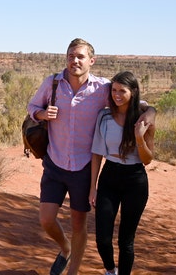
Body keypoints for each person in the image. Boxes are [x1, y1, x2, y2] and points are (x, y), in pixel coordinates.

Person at [27, 38, 155, 275]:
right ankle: (65, 248)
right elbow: (32, 107)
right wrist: (43, 114)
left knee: (79, 224)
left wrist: (152, 112)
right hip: (54, 163)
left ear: (91, 61)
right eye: (70, 56)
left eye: (80, 56)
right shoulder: (53, 83)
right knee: (46, 219)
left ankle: (73, 271)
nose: (74, 60)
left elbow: (132, 102)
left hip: (83, 167)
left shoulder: (102, 89)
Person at [89, 71, 155, 275]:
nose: (117, 95)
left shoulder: (144, 119)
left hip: (135, 180)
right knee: (102, 238)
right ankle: (110, 270)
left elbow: (147, 159)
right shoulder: (104, 116)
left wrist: (139, 138)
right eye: (114, 90)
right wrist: (93, 187)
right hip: (109, 176)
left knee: (126, 240)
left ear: (133, 92)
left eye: (122, 91)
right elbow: (97, 153)